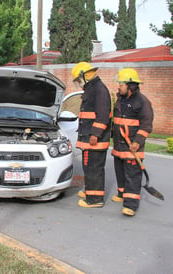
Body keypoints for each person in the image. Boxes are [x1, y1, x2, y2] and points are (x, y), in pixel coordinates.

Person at [111, 68, 153, 216]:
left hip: (132, 146)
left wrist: (138, 141)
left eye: (121, 84)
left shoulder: (142, 102)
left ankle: (131, 205)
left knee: (132, 176)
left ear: (130, 86)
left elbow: (146, 124)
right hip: (119, 146)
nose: (118, 86)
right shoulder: (120, 100)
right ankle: (122, 194)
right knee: (120, 172)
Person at [71, 62, 112, 208]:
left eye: (78, 79)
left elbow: (103, 116)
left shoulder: (99, 90)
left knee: (94, 168)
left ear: (84, 75)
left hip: (94, 139)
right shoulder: (92, 88)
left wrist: (95, 134)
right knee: (88, 167)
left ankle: (95, 199)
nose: (78, 83)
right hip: (89, 137)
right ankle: (90, 190)